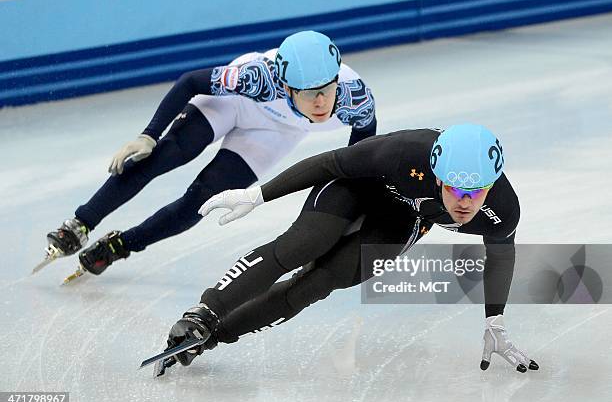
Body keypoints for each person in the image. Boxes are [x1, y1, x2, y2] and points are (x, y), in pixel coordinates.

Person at [162, 123, 539, 374]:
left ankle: (214, 336)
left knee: (321, 282)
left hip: (404, 217)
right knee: (304, 245)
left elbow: (501, 256)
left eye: (476, 192)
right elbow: (329, 163)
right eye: (455, 189)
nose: (465, 202)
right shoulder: (403, 152)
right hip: (357, 185)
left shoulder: (502, 211)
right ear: (437, 174)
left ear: (491, 185)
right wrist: (258, 194)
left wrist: (495, 321)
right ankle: (203, 315)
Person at [35, 31, 377, 276]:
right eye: (309, 93)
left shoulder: (355, 100)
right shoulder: (258, 78)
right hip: (235, 105)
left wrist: (347, 201)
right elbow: (191, 82)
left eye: (327, 90)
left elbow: (355, 157)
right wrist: (149, 134)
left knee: (200, 201)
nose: (321, 102)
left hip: (279, 131)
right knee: (162, 156)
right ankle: (79, 224)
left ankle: (120, 246)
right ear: (285, 86)